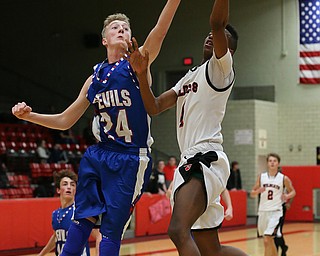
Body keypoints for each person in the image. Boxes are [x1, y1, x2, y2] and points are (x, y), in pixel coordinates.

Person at [12, 1, 180, 255]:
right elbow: (65, 120)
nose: (121, 30)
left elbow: (160, 30)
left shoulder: (138, 63)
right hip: (100, 154)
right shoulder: (95, 78)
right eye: (115, 27)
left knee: (110, 231)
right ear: (104, 40)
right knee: (81, 222)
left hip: (131, 157)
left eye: (125, 27)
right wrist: (29, 116)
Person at [126, 0, 247, 254]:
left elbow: (216, 23)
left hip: (205, 158)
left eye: (218, 38)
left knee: (177, 230)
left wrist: (219, 28)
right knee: (212, 251)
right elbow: (155, 106)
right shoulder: (189, 76)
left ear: (228, 52)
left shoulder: (220, 70)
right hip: (190, 160)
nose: (210, 38)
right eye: (209, 37)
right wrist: (140, 74)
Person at [38, 170, 101, 256]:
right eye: (65, 184)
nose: (69, 187)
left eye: (72, 184)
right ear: (58, 190)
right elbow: (57, 236)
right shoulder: (55, 214)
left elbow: (99, 236)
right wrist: (41, 254)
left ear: (75, 190)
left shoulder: (80, 211)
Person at [250, 153, 296, 256]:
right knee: (269, 240)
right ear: (267, 163)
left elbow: (293, 192)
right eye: (270, 161)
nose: (272, 163)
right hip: (262, 211)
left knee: (267, 239)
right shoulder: (261, 177)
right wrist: (257, 191)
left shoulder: (283, 178)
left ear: (278, 164)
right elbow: (252, 193)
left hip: (276, 212)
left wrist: (287, 196)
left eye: (274, 161)